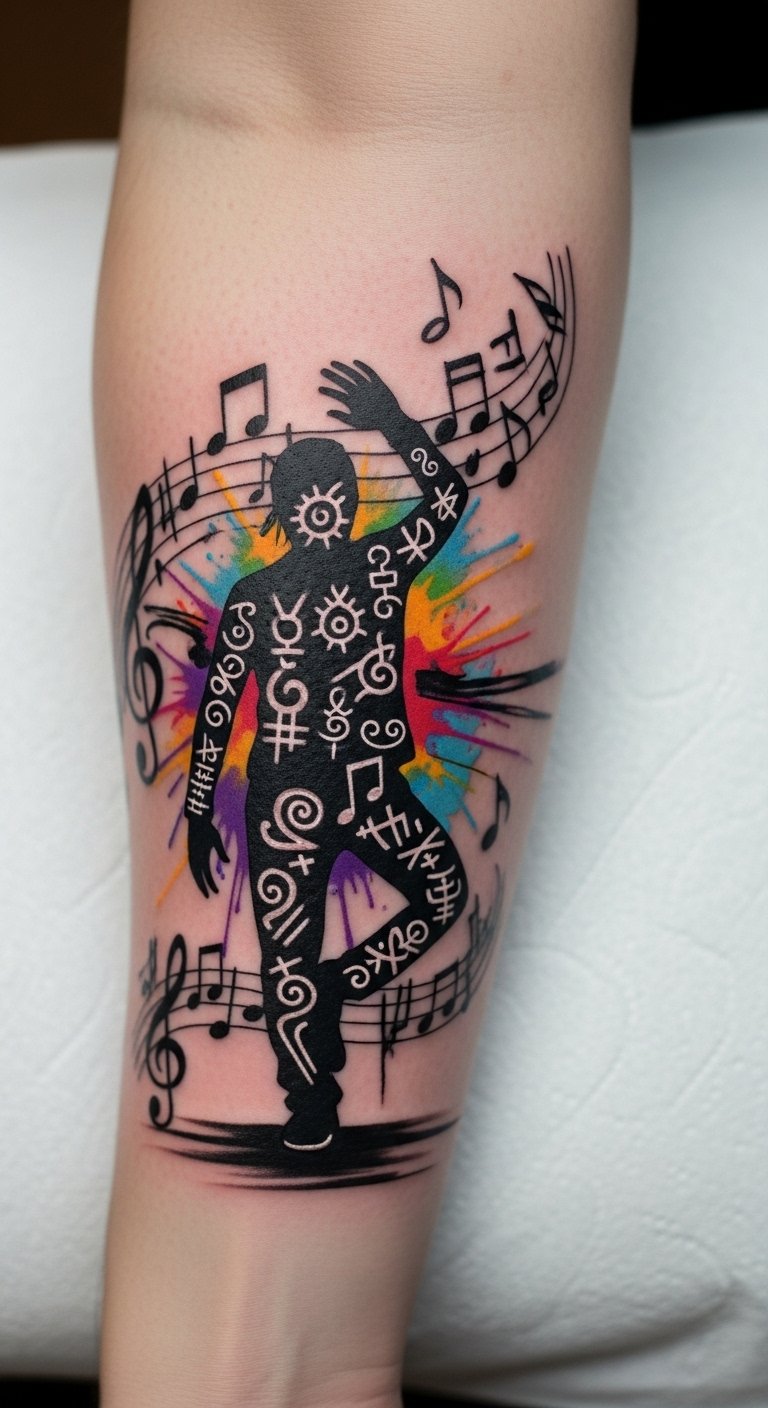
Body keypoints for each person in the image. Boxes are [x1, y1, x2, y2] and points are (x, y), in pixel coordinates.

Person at [185, 362, 468, 1150]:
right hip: (291, 800)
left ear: (349, 504)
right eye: (308, 498)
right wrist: (199, 809)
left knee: (436, 894)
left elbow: (449, 500)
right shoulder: (259, 597)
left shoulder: (377, 565)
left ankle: (337, 985)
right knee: (287, 955)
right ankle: (309, 1103)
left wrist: (393, 419)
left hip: (363, 790)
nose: (322, 509)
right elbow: (218, 710)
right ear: (285, 510)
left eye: (335, 496)